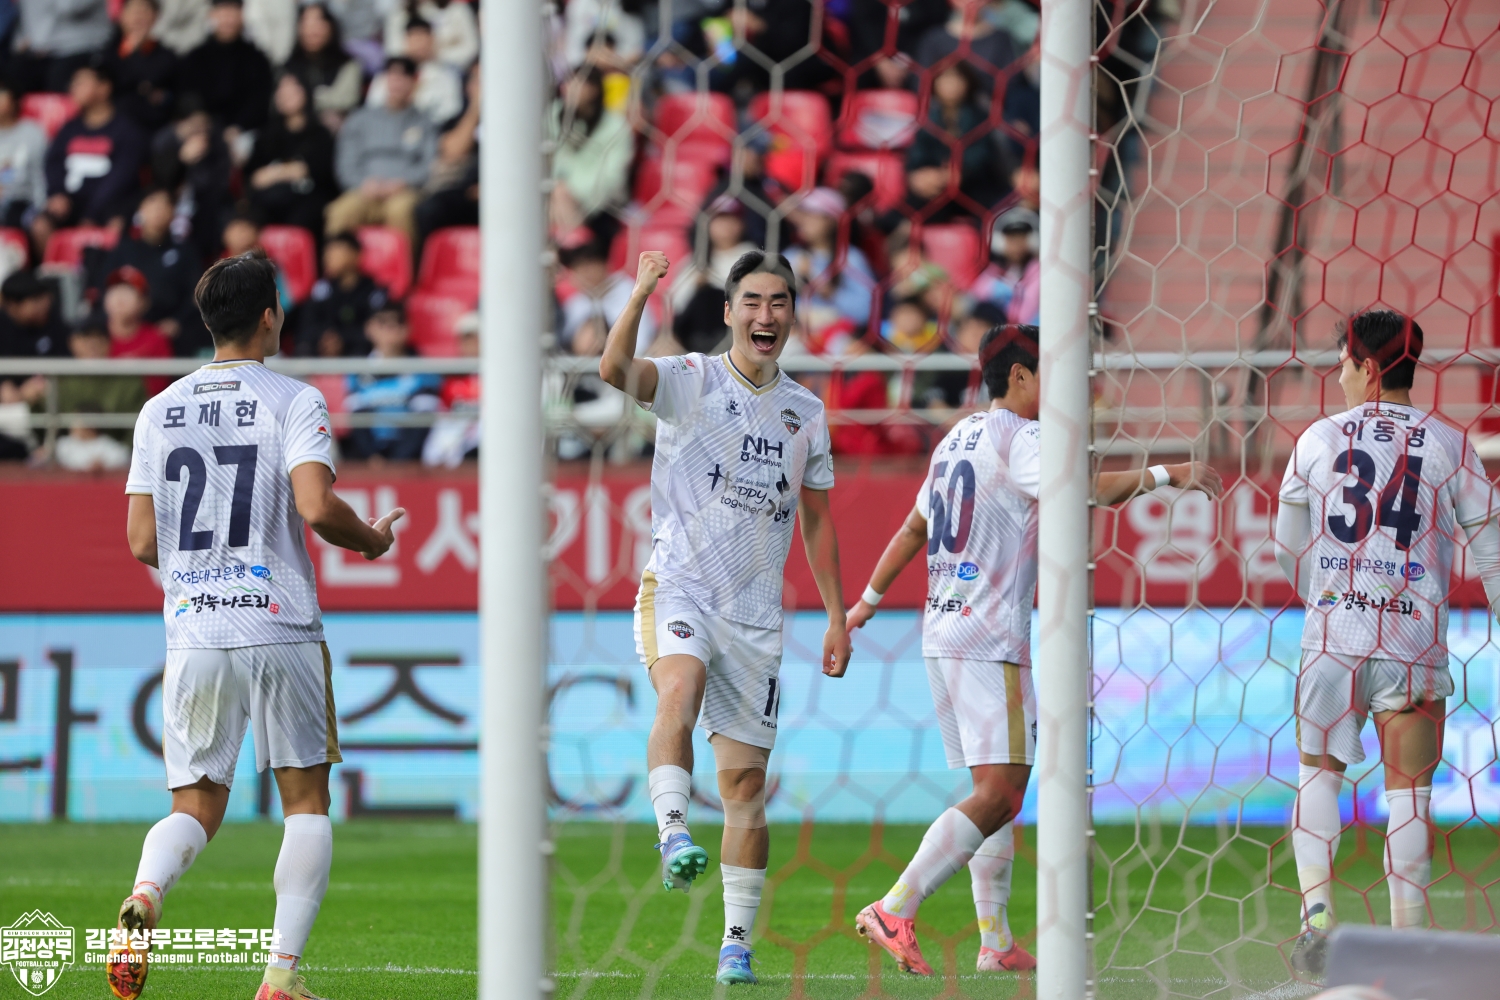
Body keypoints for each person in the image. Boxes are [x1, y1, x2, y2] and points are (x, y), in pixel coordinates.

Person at [846, 323, 1223, 975]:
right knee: (1002, 793)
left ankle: (995, 944)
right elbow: (1085, 490)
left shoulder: (957, 437)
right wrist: (1172, 472)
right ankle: (895, 907)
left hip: (942, 633)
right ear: (1019, 376)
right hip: (989, 637)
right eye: (1052, 372)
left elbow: (912, 528)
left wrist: (866, 604)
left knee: (993, 789)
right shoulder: (1023, 436)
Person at [110, 249, 404, 1000]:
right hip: (279, 624)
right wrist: (371, 540)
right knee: (305, 803)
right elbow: (316, 506)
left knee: (195, 804)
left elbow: (141, 541)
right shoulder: (294, 399)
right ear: (269, 316)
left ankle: (146, 892)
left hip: (194, 630)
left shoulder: (158, 409)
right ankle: (280, 977)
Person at [598, 249, 852, 986]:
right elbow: (614, 370)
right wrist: (641, 293)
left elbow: (818, 521)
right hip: (680, 586)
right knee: (679, 690)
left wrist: (838, 615)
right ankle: (673, 833)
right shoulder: (692, 379)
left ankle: (736, 945)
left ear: (792, 314)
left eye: (779, 302)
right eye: (752, 302)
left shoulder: (806, 413)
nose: (765, 315)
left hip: (756, 617)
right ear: (729, 312)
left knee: (745, 790)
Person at [1272, 311, 1500, 975]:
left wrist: (1327, 596)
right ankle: (1408, 944)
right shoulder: (1450, 444)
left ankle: (1317, 917)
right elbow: (1491, 551)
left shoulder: (1317, 438)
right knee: (1409, 793)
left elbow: (1288, 548)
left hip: (1333, 640)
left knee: (1318, 772)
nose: (1339, 374)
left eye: (1344, 363)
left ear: (1368, 367)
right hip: (1411, 638)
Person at [325, 57, 436, 244]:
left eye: (404, 77)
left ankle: (407, 264)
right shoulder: (360, 119)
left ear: (415, 82)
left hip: (404, 192)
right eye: (392, 76)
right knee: (339, 212)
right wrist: (363, 183)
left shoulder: (425, 122)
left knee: (401, 212)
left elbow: (429, 164)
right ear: (384, 80)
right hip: (365, 190)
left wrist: (403, 182)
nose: (397, 82)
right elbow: (345, 163)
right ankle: (336, 263)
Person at [94, 187, 206, 354]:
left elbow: (196, 295)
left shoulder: (186, 252)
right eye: (152, 204)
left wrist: (177, 321)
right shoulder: (124, 249)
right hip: (127, 326)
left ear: (173, 212)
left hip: (170, 328)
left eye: (165, 205)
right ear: (141, 210)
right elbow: (103, 287)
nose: (158, 211)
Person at [40, 62, 147, 232]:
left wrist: (93, 214)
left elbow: (121, 178)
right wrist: (57, 193)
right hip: (70, 203)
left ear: (104, 88)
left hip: (109, 205)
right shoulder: (69, 128)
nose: (73, 87)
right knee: (41, 226)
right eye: (73, 82)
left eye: (81, 82)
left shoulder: (127, 131)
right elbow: (53, 163)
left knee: (115, 227)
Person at [245, 74, 337, 240]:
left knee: (305, 216)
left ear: (306, 92)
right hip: (270, 199)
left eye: (293, 88)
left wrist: (273, 173)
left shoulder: (320, 134)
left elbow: (319, 172)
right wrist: (289, 171)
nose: (286, 94)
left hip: (308, 200)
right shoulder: (266, 136)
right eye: (281, 89)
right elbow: (255, 177)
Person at [784, 187, 876, 354]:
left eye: (813, 215)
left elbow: (865, 311)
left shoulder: (851, 259)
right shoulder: (790, 256)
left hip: (838, 335)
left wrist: (829, 292)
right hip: (798, 335)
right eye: (803, 214)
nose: (805, 220)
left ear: (832, 221)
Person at [343, 303, 441, 459]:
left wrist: (398, 461)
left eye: (398, 321)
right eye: (382, 322)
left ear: (407, 328)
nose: (390, 328)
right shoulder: (356, 371)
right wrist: (372, 457)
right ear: (369, 328)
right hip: (368, 457)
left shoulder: (424, 371)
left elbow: (421, 423)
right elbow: (358, 420)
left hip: (409, 457)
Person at [548, 65, 632, 240]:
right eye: (566, 82)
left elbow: (613, 176)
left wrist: (572, 192)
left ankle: (567, 245)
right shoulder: (552, 116)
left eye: (576, 84)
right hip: (552, 195)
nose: (567, 89)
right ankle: (571, 244)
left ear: (594, 90)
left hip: (598, 206)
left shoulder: (616, 126)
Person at [175, 0, 275, 140]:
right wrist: (198, 118)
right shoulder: (195, 58)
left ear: (242, 15)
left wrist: (238, 127)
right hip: (202, 130)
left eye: (233, 12)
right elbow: (186, 96)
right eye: (223, 12)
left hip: (244, 131)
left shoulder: (257, 59)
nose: (228, 19)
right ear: (211, 15)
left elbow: (259, 103)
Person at [557, 238, 656, 356]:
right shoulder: (576, 302)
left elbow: (641, 343)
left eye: (587, 266)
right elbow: (565, 344)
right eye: (575, 267)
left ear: (604, 264)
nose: (581, 272)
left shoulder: (631, 291)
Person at [298, 231, 388, 357]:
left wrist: (342, 340)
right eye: (327, 253)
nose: (328, 258)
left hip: (360, 357)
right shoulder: (321, 290)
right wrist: (325, 338)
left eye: (336, 251)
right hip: (322, 354)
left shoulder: (374, 292)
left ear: (356, 255)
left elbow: (376, 331)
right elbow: (307, 325)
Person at [364, 17, 461, 127]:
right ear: (405, 40)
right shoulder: (387, 73)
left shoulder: (445, 76)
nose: (418, 44)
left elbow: (450, 111)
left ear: (432, 39)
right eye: (413, 37)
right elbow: (373, 107)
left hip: (429, 130)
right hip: (387, 129)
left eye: (422, 37)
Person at [7, 0, 113, 95]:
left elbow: (69, 7)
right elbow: (25, 17)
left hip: (83, 47)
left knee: (59, 77)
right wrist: (22, 43)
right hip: (42, 52)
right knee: (12, 76)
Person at [282, 4, 363, 128]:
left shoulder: (348, 65)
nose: (312, 29)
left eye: (319, 22)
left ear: (331, 27)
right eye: (306, 22)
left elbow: (347, 100)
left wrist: (309, 99)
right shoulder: (288, 67)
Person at [105, 0, 180, 133]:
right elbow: (116, 82)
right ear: (121, 16)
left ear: (156, 17)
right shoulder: (108, 53)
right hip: (115, 124)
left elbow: (157, 83)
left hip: (155, 124)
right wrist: (130, 50)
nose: (138, 18)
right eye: (134, 12)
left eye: (145, 12)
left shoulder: (166, 55)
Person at [104, 265, 174, 395]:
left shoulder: (156, 339)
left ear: (143, 302)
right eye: (114, 291)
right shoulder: (93, 335)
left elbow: (158, 387)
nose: (119, 298)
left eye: (128, 292)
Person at [0, 84, 48, 226]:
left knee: (38, 224)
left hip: (22, 201)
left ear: (15, 100)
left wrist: (41, 206)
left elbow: (41, 174)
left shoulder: (33, 133)